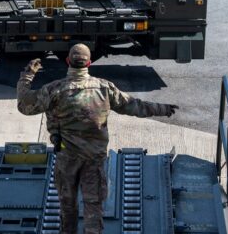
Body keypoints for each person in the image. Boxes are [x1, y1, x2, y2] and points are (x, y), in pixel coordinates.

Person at [16, 44, 178, 234]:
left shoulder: (54, 90)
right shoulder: (104, 87)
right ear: (89, 63)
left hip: (66, 158)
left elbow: (24, 106)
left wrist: (27, 76)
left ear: (68, 61)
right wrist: (163, 109)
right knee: (93, 206)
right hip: (94, 159)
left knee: (67, 205)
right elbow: (133, 106)